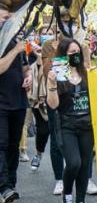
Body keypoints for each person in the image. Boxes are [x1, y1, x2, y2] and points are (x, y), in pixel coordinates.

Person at [45, 39, 93, 203]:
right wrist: (51, 85)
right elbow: (53, 105)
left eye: (77, 52)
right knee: (74, 163)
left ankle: (80, 200)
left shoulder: (87, 73)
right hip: (67, 125)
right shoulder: (59, 75)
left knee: (85, 163)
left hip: (87, 125)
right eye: (71, 53)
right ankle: (67, 192)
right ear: (63, 56)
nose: (75, 55)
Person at [0, 6, 32, 203]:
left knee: (13, 145)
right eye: (5, 17)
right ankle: (3, 187)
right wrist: (16, 50)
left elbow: (25, 67)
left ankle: (10, 185)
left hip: (18, 101)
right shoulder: (9, 44)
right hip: (1, 103)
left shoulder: (14, 41)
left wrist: (28, 77)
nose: (8, 21)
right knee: (1, 145)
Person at [28, 33, 65, 194]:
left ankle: (83, 178)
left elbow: (80, 68)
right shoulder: (48, 45)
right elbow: (47, 71)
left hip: (68, 97)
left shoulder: (78, 44)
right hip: (45, 96)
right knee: (46, 132)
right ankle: (39, 155)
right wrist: (55, 54)